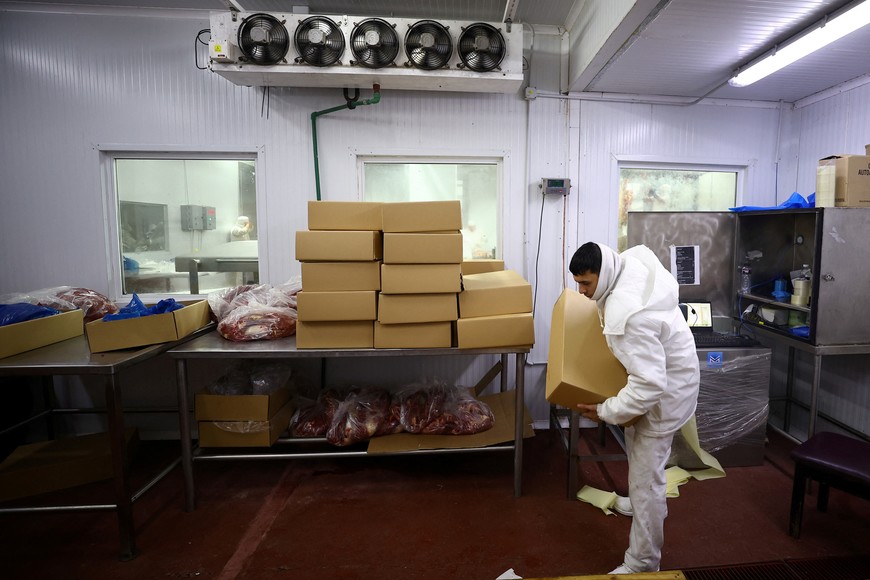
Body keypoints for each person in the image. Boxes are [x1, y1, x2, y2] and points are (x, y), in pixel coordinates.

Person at [569, 241, 699, 575]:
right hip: (673, 372)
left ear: (604, 273)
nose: (581, 292)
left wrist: (604, 410)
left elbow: (650, 385)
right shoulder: (626, 264)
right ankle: (641, 503)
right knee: (639, 454)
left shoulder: (627, 314)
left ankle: (643, 562)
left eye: (586, 283)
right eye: (577, 283)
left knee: (646, 481)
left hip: (663, 393)